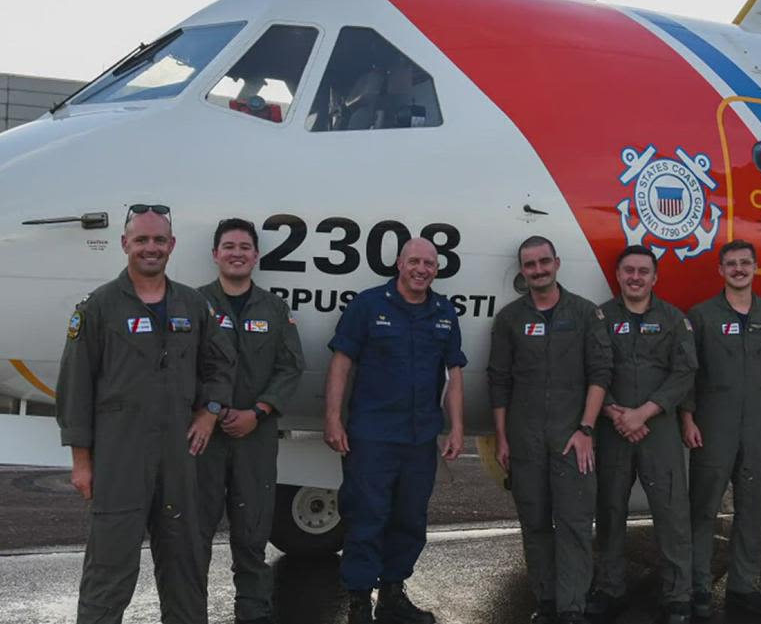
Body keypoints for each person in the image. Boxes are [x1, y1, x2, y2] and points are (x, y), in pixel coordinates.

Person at [56, 204, 235, 624]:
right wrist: (81, 462)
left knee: (185, 569)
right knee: (109, 570)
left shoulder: (193, 305)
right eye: (141, 240)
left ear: (171, 245)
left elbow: (221, 365)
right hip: (120, 458)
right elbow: (75, 387)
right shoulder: (98, 307)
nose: (150, 248)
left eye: (158, 240)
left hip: (180, 457)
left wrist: (210, 412)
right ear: (125, 244)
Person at [324, 238, 467, 624]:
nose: (421, 269)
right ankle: (358, 603)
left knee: (409, 519)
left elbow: (454, 373)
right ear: (399, 264)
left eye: (429, 263)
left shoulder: (443, 312)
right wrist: (333, 418)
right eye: (414, 261)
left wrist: (457, 428)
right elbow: (341, 362)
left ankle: (392, 595)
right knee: (366, 516)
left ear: (437, 269)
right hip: (372, 435)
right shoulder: (369, 305)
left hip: (420, 439)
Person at [487, 236, 612, 624]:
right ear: (522, 271)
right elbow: (499, 381)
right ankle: (546, 602)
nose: (538, 270)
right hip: (525, 440)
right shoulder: (510, 319)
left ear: (556, 263)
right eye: (530, 265)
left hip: (572, 437)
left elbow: (600, 373)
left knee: (574, 523)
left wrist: (586, 429)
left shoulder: (586, 313)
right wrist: (502, 437)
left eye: (544, 262)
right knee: (535, 521)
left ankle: (572, 607)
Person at [196, 218, 305, 624]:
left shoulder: (274, 309)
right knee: (195, 533)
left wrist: (258, 412)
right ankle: (191, 611)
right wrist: (209, 410)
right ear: (215, 255)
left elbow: (290, 367)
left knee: (252, 532)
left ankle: (253, 613)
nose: (237, 253)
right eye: (229, 246)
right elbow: (182, 364)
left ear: (256, 256)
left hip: (255, 436)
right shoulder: (195, 304)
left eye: (245, 246)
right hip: (203, 438)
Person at [681, 239, 761, 618]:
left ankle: (744, 586)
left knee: (753, 509)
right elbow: (688, 372)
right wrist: (687, 417)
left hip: (759, 424)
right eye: (732, 264)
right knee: (703, 507)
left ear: (755, 267)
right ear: (721, 270)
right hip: (713, 423)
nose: (739, 269)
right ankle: (696, 587)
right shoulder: (701, 315)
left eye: (746, 263)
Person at [588, 245, 697, 624]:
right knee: (610, 510)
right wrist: (616, 412)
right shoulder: (599, 317)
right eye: (628, 271)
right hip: (614, 428)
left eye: (643, 271)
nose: (635, 277)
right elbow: (591, 368)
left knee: (671, 513)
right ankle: (609, 587)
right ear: (618, 275)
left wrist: (643, 413)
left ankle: (677, 594)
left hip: (658, 428)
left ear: (655, 278)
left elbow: (684, 373)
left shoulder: (672, 319)